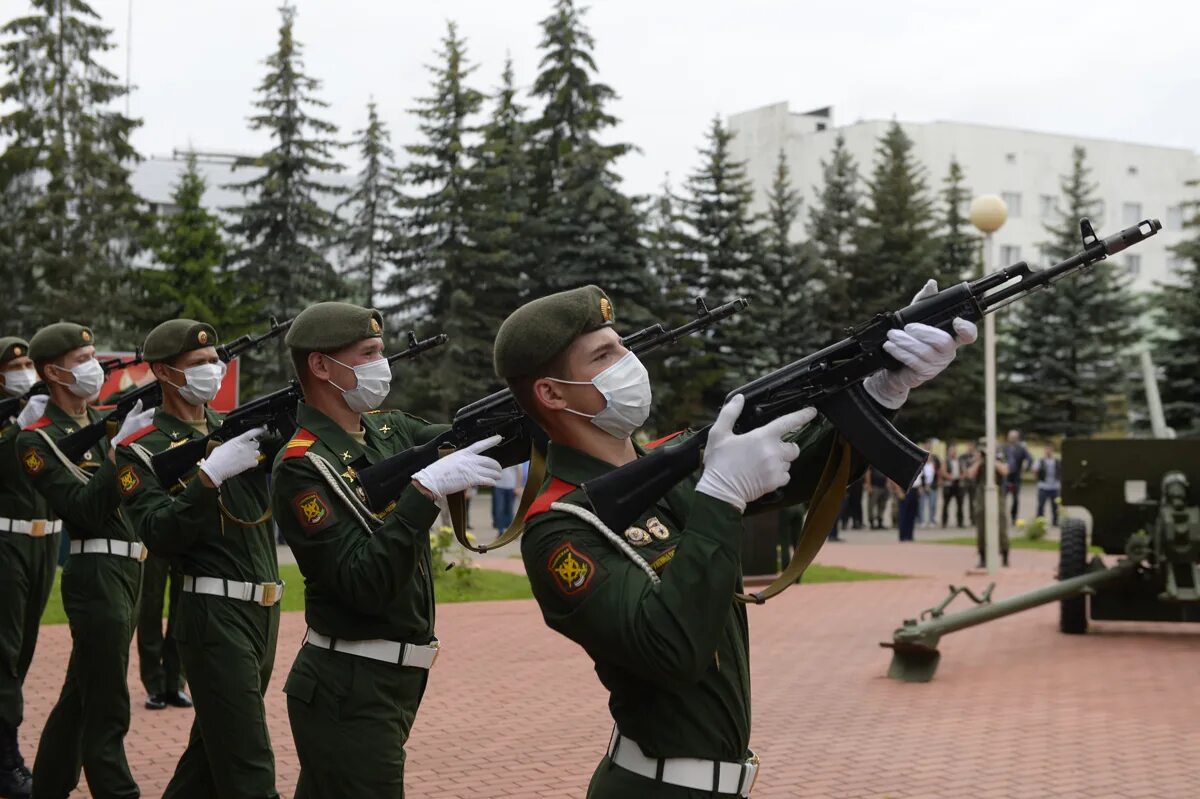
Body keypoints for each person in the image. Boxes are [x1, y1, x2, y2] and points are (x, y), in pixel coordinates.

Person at [494, 283, 973, 796]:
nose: (627, 361)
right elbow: (672, 650)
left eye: (624, 345)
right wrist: (722, 495)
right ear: (552, 392)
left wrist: (882, 390)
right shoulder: (560, 528)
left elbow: (805, 462)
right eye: (604, 355)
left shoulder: (668, 459)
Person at [270, 302, 504, 797]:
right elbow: (363, 583)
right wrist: (422, 495)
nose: (384, 364)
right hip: (348, 688)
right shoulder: (303, 467)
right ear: (320, 365)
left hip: (389, 682)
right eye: (370, 352)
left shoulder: (388, 430)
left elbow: (481, 442)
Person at [114, 319, 283, 798]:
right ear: (166, 374)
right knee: (250, 769)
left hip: (262, 615)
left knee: (209, 760)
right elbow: (159, 534)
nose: (213, 370)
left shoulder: (235, 430)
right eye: (199, 364)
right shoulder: (140, 451)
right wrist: (208, 478)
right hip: (214, 618)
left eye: (215, 361)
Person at [18, 322, 155, 799]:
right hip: (95, 572)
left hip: (129, 569)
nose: (93, 367)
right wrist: (121, 452)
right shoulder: (36, 440)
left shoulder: (101, 420)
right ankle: (118, 791)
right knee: (107, 701)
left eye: (93, 355)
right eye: (82, 360)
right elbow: (85, 510)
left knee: (82, 693)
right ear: (53, 372)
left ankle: (49, 786)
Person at [0, 338, 60, 799]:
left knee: (22, 651)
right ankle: (6, 759)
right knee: (5, 650)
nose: (23, 370)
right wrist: (15, 427)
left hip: (44, 542)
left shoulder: (43, 414)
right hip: (6, 541)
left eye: (26, 363)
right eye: (13, 365)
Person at [136, 550, 188, 711]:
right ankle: (154, 684)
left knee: (184, 600)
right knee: (150, 601)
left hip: (187, 530)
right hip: (154, 531)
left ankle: (176, 682)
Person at [969, 437, 1010, 567]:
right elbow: (970, 474)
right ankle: (982, 556)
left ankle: (1004, 553)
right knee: (981, 527)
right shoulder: (979, 460)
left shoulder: (999, 457)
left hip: (998, 494)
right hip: (982, 495)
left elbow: (1005, 471)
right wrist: (980, 460)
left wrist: (992, 459)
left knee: (1001, 524)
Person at [1002, 429, 1032, 524]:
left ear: (1017, 438)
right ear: (1008, 437)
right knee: (1002, 498)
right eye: (1011, 437)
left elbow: (1030, 459)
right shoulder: (1003, 448)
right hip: (1005, 477)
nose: (1013, 439)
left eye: (1015, 437)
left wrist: (1025, 469)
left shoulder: (1021, 448)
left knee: (1015, 499)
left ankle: (1014, 517)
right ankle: (1002, 517)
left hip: (1016, 477)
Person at [939, 443, 967, 528]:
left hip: (958, 484)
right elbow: (943, 472)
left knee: (960, 504)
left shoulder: (960, 461)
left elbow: (964, 471)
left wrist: (961, 476)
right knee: (946, 504)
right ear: (949, 452)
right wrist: (950, 477)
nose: (953, 453)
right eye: (952, 451)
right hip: (949, 484)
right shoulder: (946, 461)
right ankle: (944, 522)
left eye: (955, 451)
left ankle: (960, 522)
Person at [492, 463, 524, 534]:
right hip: (498, 487)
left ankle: (510, 531)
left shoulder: (516, 456)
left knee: (509, 510)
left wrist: (517, 486)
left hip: (511, 487)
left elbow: (519, 472)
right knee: (499, 509)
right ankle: (500, 531)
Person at [1035, 445, 1061, 526]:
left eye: (1050, 450)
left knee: (1055, 506)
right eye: (1047, 450)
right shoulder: (1040, 461)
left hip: (1055, 487)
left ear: (1052, 451)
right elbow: (1035, 470)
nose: (1048, 451)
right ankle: (1040, 521)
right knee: (1041, 506)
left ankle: (1055, 521)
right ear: (1045, 451)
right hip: (1043, 487)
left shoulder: (1057, 461)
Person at [919, 445, 940, 527]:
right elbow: (920, 476)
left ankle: (931, 520)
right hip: (923, 486)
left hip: (932, 486)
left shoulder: (935, 463)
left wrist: (936, 483)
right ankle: (922, 521)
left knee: (932, 504)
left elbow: (938, 473)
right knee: (922, 505)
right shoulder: (921, 463)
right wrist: (921, 486)